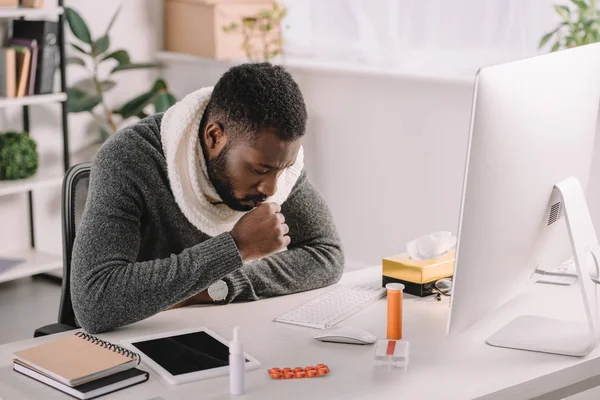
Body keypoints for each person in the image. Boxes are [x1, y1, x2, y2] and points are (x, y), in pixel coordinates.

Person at [70, 62, 345, 334]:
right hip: (138, 340)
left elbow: (327, 254)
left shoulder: (275, 161)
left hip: (221, 329)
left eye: (283, 169)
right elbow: (95, 301)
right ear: (215, 137)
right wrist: (236, 247)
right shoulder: (129, 158)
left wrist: (219, 287)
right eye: (259, 169)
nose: (272, 189)